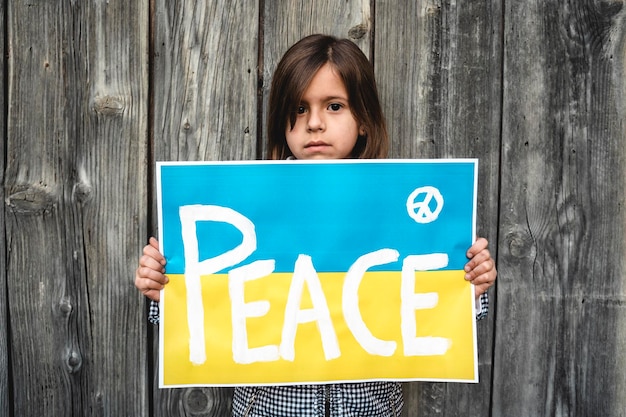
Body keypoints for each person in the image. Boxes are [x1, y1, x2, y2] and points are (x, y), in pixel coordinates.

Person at [135, 34, 497, 417]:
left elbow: (430, 310)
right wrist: (164, 288)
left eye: (335, 106)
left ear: (363, 121)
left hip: (367, 408)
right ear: (282, 124)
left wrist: (471, 284)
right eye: (299, 109)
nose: (315, 123)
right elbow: (211, 312)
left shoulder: (396, 206)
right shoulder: (251, 205)